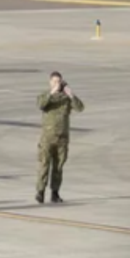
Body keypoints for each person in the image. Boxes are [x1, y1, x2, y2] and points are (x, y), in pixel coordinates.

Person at [37, 72, 84, 204]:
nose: (58, 84)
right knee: (44, 165)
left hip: (62, 138)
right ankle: (40, 191)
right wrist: (52, 93)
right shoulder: (45, 96)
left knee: (58, 167)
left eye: (60, 82)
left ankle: (55, 193)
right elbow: (40, 104)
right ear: (50, 82)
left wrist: (71, 94)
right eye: (55, 81)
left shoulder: (66, 98)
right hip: (47, 138)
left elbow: (80, 108)